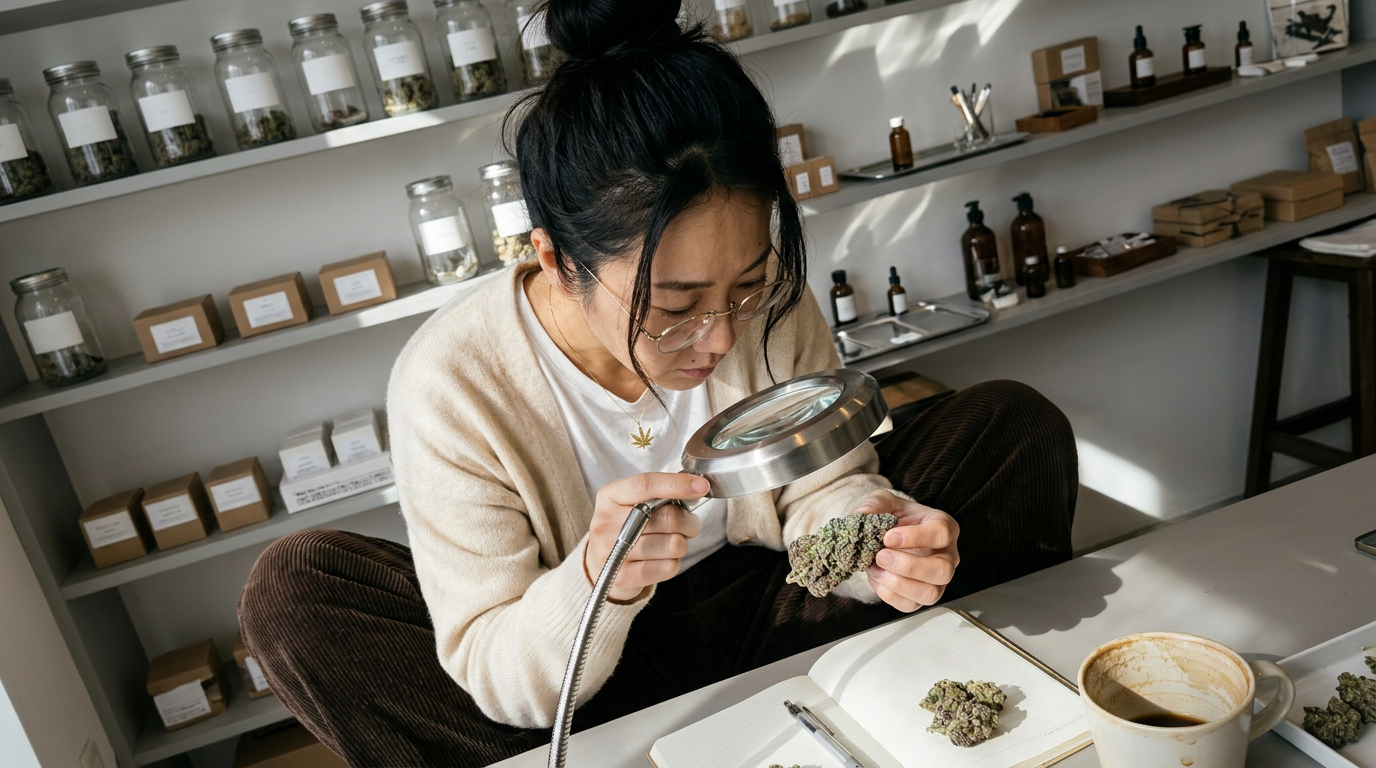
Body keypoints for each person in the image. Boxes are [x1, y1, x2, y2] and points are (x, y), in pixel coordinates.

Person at [237, 1, 1078, 765]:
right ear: (556, 260)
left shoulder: (768, 302)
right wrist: (599, 575)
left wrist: (876, 544)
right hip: (580, 675)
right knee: (295, 592)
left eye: (743, 287)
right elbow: (499, 672)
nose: (718, 336)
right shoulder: (453, 380)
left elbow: (826, 487)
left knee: (1012, 423)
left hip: (769, 604)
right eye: (672, 305)